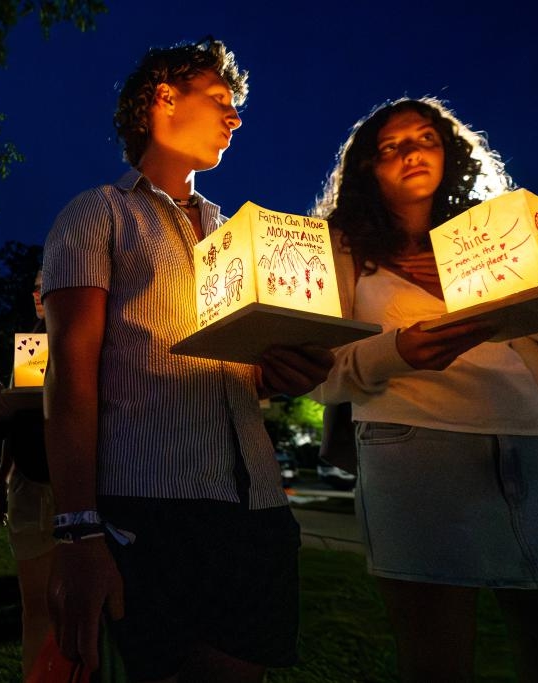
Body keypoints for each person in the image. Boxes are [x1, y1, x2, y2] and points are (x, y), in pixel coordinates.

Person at [308, 96, 538, 682]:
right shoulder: (342, 251)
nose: (411, 153)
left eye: (425, 139)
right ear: (367, 168)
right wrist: (399, 351)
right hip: (412, 449)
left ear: (450, 153)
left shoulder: (501, 237)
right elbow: (319, 374)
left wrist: (533, 300)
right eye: (391, 147)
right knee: (434, 656)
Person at [41, 38, 333, 681]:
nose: (236, 118)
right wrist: (77, 528)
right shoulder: (99, 213)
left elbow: (238, 374)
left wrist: (283, 373)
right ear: (164, 98)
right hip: (149, 500)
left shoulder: (234, 238)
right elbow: (69, 373)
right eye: (220, 99)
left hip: (256, 503)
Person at [0, 267, 56, 679]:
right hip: (29, 484)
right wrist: (1, 489)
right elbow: (17, 421)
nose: (37, 293)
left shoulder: (88, 337)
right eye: (34, 287)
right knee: (35, 607)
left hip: (73, 483)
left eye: (46, 285)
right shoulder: (32, 346)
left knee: (74, 604)